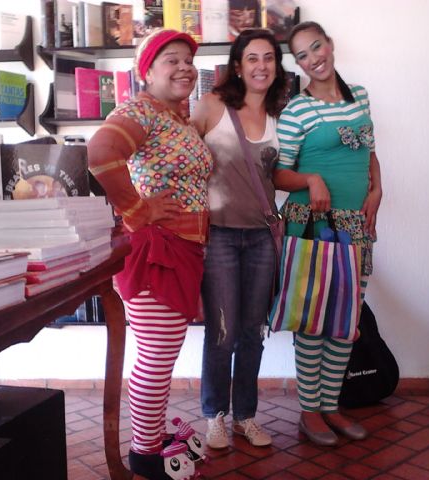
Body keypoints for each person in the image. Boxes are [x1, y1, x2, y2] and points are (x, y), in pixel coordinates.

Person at [87, 29, 212, 479]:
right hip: (158, 250)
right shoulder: (140, 110)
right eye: (171, 60)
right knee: (156, 358)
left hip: (182, 249)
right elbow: (100, 152)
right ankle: (143, 452)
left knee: (162, 353)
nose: (184, 68)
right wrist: (138, 211)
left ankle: (154, 438)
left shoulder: (175, 118)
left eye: (188, 61)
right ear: (148, 72)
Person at [274, 21, 383, 446]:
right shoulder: (296, 110)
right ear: (298, 64)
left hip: (355, 224)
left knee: (346, 317)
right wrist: (311, 178)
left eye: (316, 47)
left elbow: (369, 152)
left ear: (330, 45)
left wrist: (378, 189)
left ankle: (331, 405)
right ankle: (310, 411)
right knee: (313, 318)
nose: (313, 58)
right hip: (313, 224)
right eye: (302, 55)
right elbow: (278, 174)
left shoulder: (361, 96)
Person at [190, 28, 287, 450]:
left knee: (252, 332)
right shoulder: (212, 105)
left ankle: (246, 415)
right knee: (222, 333)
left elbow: (277, 176)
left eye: (269, 58)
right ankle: (214, 415)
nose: (261, 66)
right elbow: (181, 158)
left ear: (277, 66)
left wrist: (315, 180)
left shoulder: (281, 115)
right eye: (252, 58)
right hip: (219, 237)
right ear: (238, 66)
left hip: (262, 237)